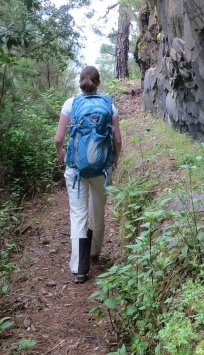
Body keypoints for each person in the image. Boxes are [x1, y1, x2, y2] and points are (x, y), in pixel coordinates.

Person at [54, 66, 122, 284]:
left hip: (76, 168)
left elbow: (58, 138)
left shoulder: (70, 104)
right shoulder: (108, 104)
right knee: (98, 211)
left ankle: (80, 269)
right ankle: (94, 253)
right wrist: (115, 160)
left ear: (80, 82)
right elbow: (117, 140)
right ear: (98, 82)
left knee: (78, 214)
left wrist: (61, 153)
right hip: (101, 168)